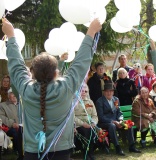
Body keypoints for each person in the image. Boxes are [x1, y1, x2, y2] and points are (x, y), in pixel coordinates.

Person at [2, 18, 101, 160]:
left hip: (32, 153)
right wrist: (91, 31)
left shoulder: (26, 88)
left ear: (33, 74)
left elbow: (16, 65)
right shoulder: (66, 87)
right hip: (62, 152)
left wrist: (11, 36)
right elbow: (81, 62)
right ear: (56, 73)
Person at [96, 83, 140, 156]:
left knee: (129, 124)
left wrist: (120, 120)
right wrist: (114, 121)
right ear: (104, 92)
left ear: (113, 92)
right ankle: (118, 147)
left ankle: (132, 146)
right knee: (112, 126)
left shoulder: (116, 99)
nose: (109, 93)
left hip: (117, 121)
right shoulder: (99, 101)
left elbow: (119, 112)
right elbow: (101, 117)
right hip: (105, 122)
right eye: (107, 91)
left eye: (111, 91)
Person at [74, 84, 98, 160]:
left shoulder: (90, 102)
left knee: (93, 131)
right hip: (78, 125)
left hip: (89, 124)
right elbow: (72, 117)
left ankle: (91, 152)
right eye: (82, 91)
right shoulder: (73, 102)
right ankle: (85, 152)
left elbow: (95, 115)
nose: (84, 93)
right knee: (85, 131)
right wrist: (83, 124)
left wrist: (93, 123)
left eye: (86, 91)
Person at [0, 90, 23, 160]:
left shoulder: (22, 104)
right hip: (8, 127)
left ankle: (25, 152)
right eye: (12, 94)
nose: (15, 96)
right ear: (8, 96)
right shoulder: (3, 105)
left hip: (22, 125)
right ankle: (18, 152)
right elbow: (2, 117)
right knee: (16, 133)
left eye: (16, 94)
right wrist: (12, 123)